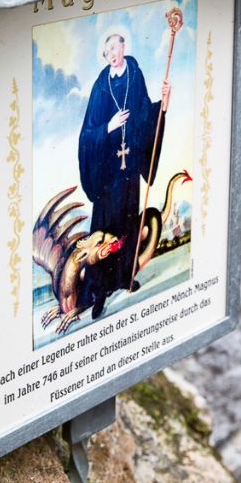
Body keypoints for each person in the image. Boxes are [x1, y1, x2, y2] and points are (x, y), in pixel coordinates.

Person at [78, 32, 170, 315]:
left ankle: (123, 277)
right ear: (105, 57)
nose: (114, 54)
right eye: (108, 52)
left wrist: (162, 106)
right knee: (105, 231)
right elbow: (87, 135)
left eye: (116, 48)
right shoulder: (100, 88)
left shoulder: (135, 74)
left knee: (128, 226)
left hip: (129, 172)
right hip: (108, 177)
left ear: (123, 47)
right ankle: (99, 290)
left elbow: (144, 115)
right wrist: (109, 126)